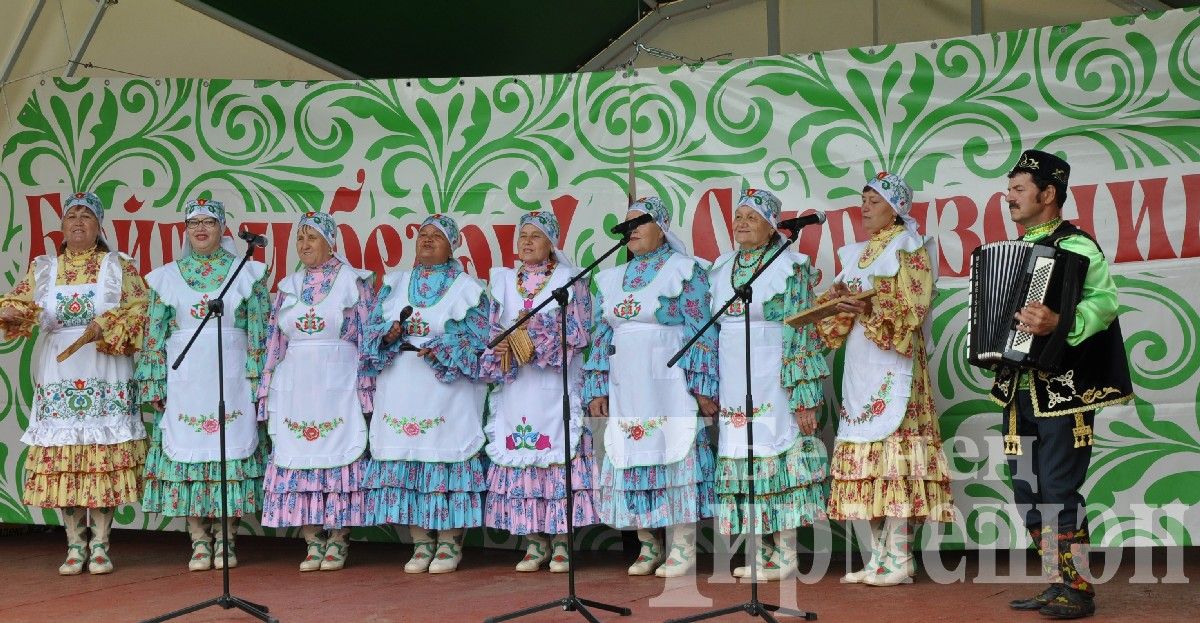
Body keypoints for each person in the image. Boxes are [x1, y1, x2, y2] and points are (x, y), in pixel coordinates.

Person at [995, 150, 1133, 619]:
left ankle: (1077, 588)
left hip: (1063, 390)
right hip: (1021, 389)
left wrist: (1059, 321)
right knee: (1026, 486)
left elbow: (1105, 302)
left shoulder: (1077, 246)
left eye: (1018, 189)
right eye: (1008, 189)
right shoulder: (1014, 248)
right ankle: (1059, 580)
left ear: (1048, 194)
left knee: (1057, 486)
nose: (1008, 197)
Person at [814, 172, 955, 586]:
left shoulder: (908, 246)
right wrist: (839, 299)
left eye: (874, 201)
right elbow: (843, 314)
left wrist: (866, 308)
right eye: (862, 200)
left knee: (896, 460)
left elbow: (912, 306)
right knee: (867, 459)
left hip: (895, 367)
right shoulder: (858, 252)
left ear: (895, 208)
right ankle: (878, 557)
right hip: (862, 364)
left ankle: (899, 556)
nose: (864, 207)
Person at [0, 192, 148, 575]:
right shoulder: (44, 268)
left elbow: (142, 309)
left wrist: (110, 324)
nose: (78, 222)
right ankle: (73, 544)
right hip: (59, 371)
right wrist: (13, 309)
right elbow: (16, 304)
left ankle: (100, 545)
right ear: (62, 227)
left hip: (105, 366)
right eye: (72, 216)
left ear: (99, 226)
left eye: (87, 216)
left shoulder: (118, 265)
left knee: (101, 456)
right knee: (66, 455)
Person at [583, 196, 718, 578]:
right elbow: (599, 335)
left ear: (662, 227)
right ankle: (648, 544)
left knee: (674, 454)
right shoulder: (608, 280)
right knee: (629, 452)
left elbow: (701, 331)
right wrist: (597, 387)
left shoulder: (685, 270)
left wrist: (704, 386)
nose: (633, 230)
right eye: (627, 225)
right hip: (626, 385)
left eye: (641, 222)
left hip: (670, 382)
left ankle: (682, 546)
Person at [135, 198, 271, 571]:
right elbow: (155, 334)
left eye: (208, 222)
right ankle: (197, 538)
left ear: (222, 227)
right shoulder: (166, 276)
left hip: (232, 374)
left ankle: (226, 538)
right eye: (193, 222)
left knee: (228, 448)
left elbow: (260, 330)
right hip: (186, 376)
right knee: (187, 446)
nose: (200, 229)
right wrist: (155, 382)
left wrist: (261, 379)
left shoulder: (247, 272)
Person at [709, 189, 829, 581]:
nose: (741, 222)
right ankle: (760, 551)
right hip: (733, 376)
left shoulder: (791, 267)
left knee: (777, 453)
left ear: (771, 225)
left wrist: (804, 395)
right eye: (737, 215)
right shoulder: (721, 267)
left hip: (773, 375)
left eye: (751, 217)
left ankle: (787, 552)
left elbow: (802, 332)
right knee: (742, 456)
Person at [361, 214, 489, 574]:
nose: (428, 240)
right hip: (401, 381)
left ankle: (449, 542)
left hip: (444, 388)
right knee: (406, 456)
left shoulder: (468, 288)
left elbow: (482, 340)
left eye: (437, 236)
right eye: (422, 235)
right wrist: (387, 334)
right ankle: (420, 543)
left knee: (443, 457)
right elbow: (368, 331)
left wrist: (445, 346)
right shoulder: (395, 283)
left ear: (453, 245)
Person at [479, 211, 599, 573]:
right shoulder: (502, 280)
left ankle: (561, 541)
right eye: (523, 236)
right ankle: (534, 540)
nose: (527, 242)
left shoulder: (568, 278)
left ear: (551, 243)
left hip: (554, 381)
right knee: (521, 449)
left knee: (557, 450)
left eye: (536, 236)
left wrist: (536, 337)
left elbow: (580, 331)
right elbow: (488, 328)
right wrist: (498, 345)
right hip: (517, 383)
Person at [258, 211, 377, 572]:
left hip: (337, 383)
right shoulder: (287, 286)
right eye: (300, 238)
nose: (305, 245)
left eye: (312, 238)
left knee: (339, 452)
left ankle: (339, 539)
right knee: (299, 452)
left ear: (331, 242)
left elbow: (369, 337)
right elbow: (274, 341)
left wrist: (366, 387)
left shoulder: (353, 282)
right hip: (296, 385)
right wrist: (266, 386)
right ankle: (312, 541)